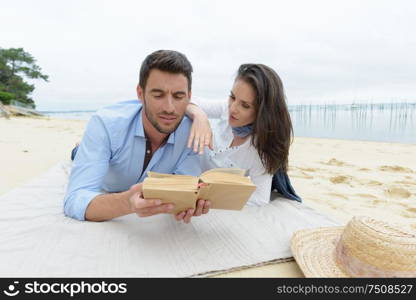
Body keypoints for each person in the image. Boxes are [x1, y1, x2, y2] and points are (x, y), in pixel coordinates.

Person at [64, 50, 210, 223]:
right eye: (158, 95)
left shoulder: (193, 133)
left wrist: (188, 203)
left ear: (189, 97)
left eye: (178, 96)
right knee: (78, 153)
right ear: (140, 94)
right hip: (104, 163)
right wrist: (127, 203)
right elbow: (75, 201)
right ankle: (79, 149)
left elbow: (185, 187)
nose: (170, 108)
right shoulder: (105, 124)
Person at [185, 63, 300, 206]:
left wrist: (214, 196)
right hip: (184, 176)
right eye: (232, 97)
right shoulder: (225, 109)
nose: (233, 109)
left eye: (245, 105)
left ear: (262, 112)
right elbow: (185, 101)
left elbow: (260, 199)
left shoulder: (260, 151)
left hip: (203, 195)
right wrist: (200, 116)